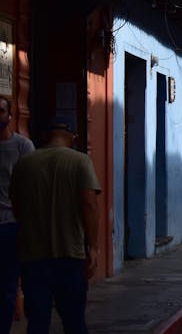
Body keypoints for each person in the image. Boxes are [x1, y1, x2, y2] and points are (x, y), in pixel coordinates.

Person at [10, 121, 101, 334]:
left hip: (32, 255)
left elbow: (16, 205)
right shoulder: (80, 161)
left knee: (38, 321)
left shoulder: (24, 163)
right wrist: (93, 246)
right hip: (70, 254)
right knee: (74, 320)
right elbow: (89, 204)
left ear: (44, 137)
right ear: (73, 137)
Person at [0, 95, 34, 332]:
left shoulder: (22, 146)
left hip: (10, 226)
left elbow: (31, 189)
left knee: (6, 287)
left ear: (10, 115)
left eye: (0, 111)